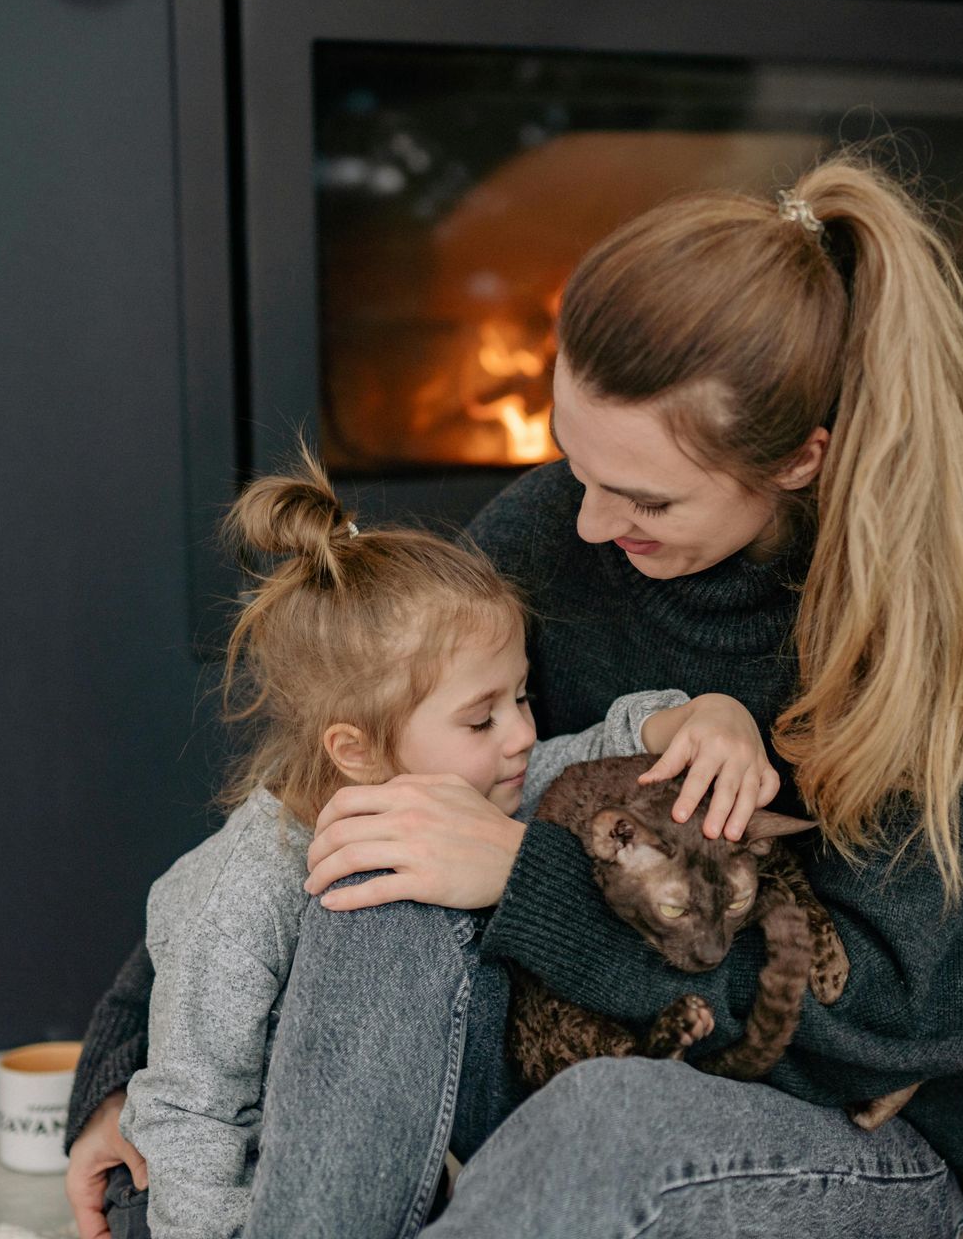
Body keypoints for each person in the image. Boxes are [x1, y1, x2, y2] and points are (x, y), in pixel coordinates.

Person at [65, 148, 963, 1239]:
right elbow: (321, 790)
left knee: (603, 1123)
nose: (588, 523)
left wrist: (530, 877)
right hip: (584, 1031)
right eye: (573, 467)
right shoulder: (556, 532)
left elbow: (897, 1021)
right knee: (381, 859)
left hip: (862, 1129)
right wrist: (131, 1068)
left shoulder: (935, 643)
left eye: (641, 497)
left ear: (799, 460)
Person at [106, 451, 781, 1239]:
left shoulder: (486, 783)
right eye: (482, 718)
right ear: (354, 750)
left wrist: (697, 718)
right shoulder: (237, 893)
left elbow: (590, 756)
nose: (524, 734)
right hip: (238, 1202)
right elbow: (192, 1108)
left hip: (409, 1176)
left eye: (523, 696)